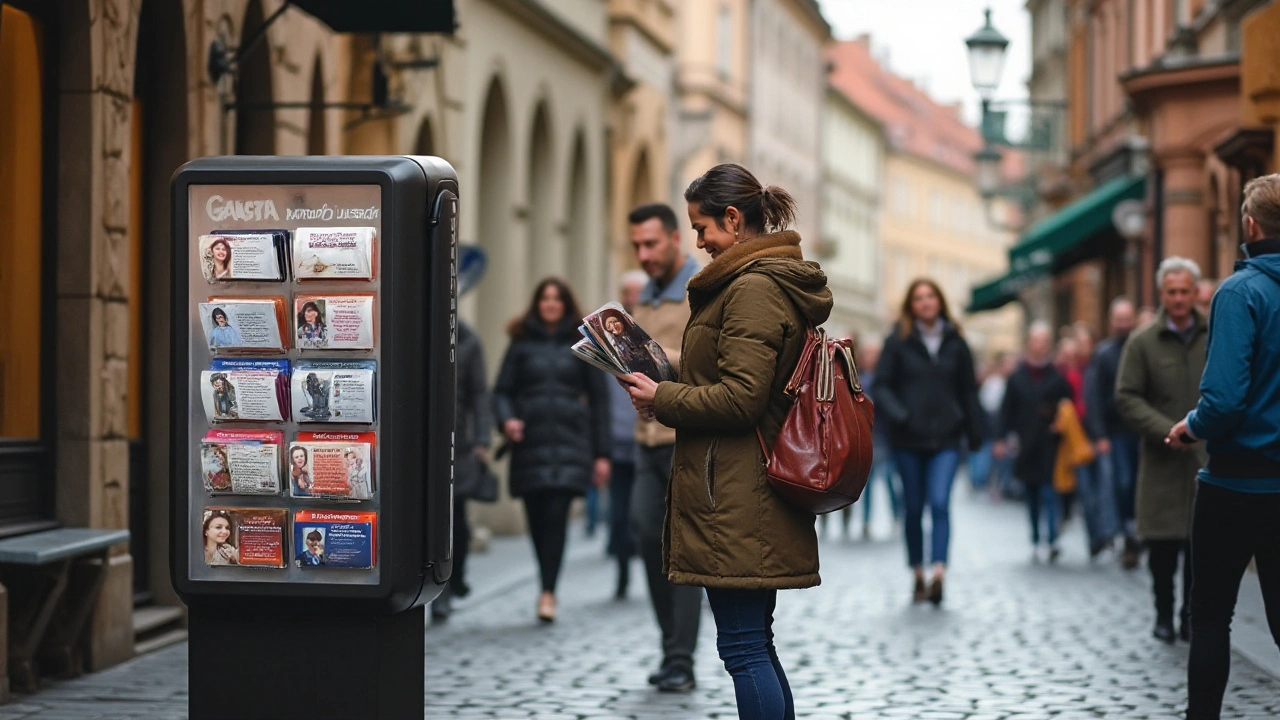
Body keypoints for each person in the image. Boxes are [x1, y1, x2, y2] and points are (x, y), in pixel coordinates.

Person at [623, 164, 832, 719]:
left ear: (733, 220)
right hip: (742, 489)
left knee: (743, 647)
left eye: (702, 228)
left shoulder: (754, 289)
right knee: (753, 643)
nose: (700, 242)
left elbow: (741, 399)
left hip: (739, 494)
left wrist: (662, 398)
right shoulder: (757, 283)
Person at [1166, 174, 1280, 719]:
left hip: (1235, 481)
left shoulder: (1240, 292)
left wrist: (1189, 425)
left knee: (1211, 616)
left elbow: (1225, 402)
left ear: (1251, 226)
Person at [493, 278, 611, 623]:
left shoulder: (585, 344)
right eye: (544, 298)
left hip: (570, 445)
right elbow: (500, 391)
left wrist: (602, 454)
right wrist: (507, 421)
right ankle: (546, 582)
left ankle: (548, 591)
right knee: (537, 519)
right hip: (530, 444)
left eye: (557, 299)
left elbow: (601, 402)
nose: (550, 304)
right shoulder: (521, 344)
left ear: (565, 304)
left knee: (556, 517)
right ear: (537, 303)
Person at [625, 203, 704, 693]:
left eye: (651, 243)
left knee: (682, 549)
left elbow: (707, 359)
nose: (644, 254)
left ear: (676, 239)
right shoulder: (646, 296)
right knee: (643, 536)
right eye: (637, 245)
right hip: (647, 439)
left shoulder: (700, 290)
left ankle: (681, 658)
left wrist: (653, 355)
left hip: (686, 439)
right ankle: (670, 645)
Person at [873, 279, 983, 605]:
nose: (925, 302)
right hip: (908, 440)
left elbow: (969, 391)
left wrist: (974, 431)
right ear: (911, 305)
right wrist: (900, 415)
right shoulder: (897, 342)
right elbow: (882, 386)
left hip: (946, 439)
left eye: (931, 296)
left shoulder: (956, 343)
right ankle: (917, 573)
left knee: (939, 503)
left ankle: (939, 573)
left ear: (940, 301)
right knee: (912, 509)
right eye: (919, 298)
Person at [1115, 257, 1206, 644]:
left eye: (1185, 291)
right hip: (1162, 458)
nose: (1179, 298)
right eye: (1172, 292)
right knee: (1163, 545)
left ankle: (1190, 615)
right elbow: (1127, 396)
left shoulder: (1215, 333)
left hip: (1206, 458)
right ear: (1162, 294)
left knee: (1198, 545)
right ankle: (1163, 614)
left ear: (1195, 292)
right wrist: (1165, 431)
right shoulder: (1142, 343)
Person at [996, 322, 1074, 563]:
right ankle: (1034, 538)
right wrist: (1000, 438)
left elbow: (1069, 407)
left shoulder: (1057, 376)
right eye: (1036, 340)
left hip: (1051, 443)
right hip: (1026, 443)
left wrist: (1060, 423)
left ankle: (1051, 539)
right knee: (1030, 494)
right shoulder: (1017, 377)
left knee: (1050, 493)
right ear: (1029, 343)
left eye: (1044, 340)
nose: (1040, 345)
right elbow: (1006, 410)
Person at [1084, 297, 1141, 568]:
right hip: (1116, 431)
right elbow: (1093, 396)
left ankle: (1135, 534)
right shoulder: (1104, 353)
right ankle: (1127, 532)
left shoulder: (1141, 348)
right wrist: (1099, 434)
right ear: (1111, 321)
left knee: (1139, 484)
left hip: (1142, 430)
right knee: (1122, 482)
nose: (1123, 324)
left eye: (1127, 318)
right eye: (1119, 319)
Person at [605, 270, 648, 602]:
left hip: (652, 439)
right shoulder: (607, 339)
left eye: (636, 291)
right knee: (619, 516)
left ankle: (656, 577)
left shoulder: (653, 331)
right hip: (619, 441)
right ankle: (621, 575)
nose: (631, 297)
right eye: (626, 292)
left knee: (646, 516)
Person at [851, 339, 899, 538]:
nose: (871, 358)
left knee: (888, 478)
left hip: (883, 436)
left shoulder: (886, 378)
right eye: (868, 354)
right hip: (864, 436)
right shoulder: (856, 376)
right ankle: (866, 521)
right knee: (867, 483)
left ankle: (897, 516)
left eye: (874, 354)